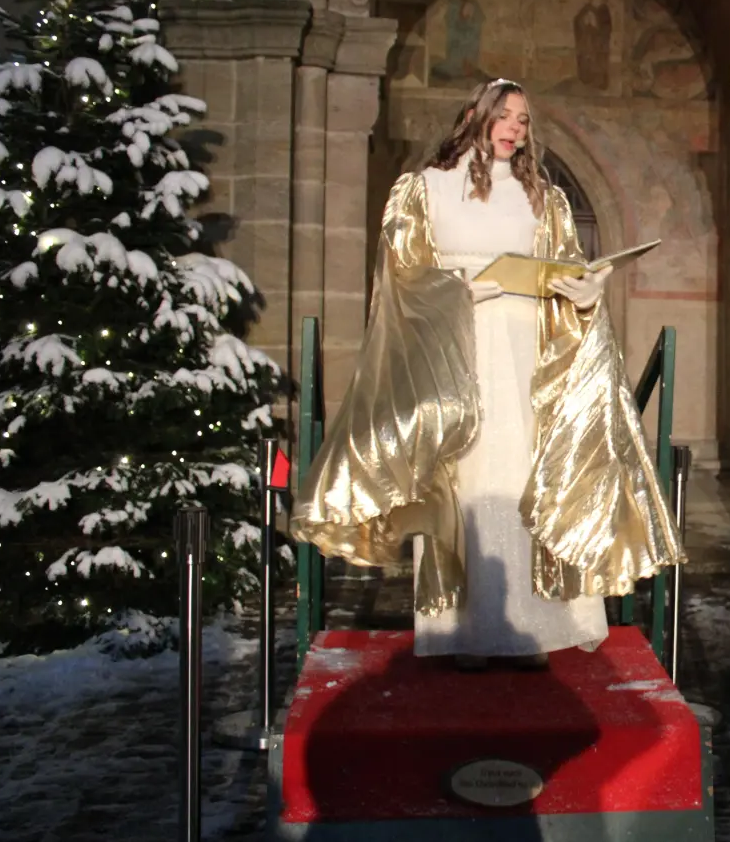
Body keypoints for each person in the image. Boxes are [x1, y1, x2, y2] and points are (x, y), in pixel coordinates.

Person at [291, 79, 684, 669]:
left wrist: (585, 288)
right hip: (458, 350)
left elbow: (564, 268)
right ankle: (465, 631)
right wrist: (467, 290)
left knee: (527, 474)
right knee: (469, 479)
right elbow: (401, 277)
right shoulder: (424, 190)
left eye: (523, 120)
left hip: (527, 350)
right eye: (504, 115)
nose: (514, 128)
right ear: (473, 115)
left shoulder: (542, 198)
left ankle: (534, 628)